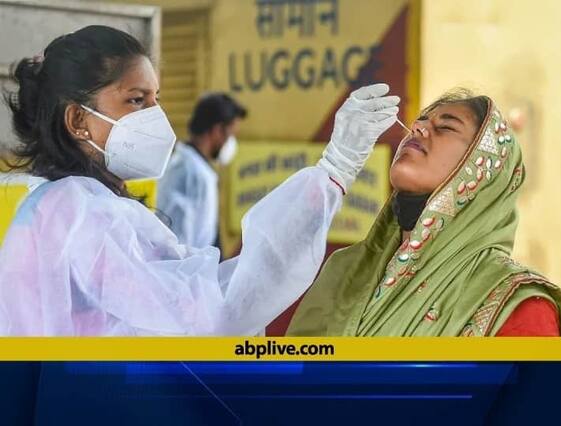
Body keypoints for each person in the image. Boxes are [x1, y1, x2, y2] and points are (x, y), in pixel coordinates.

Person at [0, 25, 400, 336]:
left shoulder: (46, 202)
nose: (155, 116)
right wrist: (336, 168)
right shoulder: (84, 213)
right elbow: (213, 313)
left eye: (156, 99)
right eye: (136, 100)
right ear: (77, 119)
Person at [287, 90, 561, 337]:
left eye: (445, 126)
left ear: (483, 171)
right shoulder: (344, 270)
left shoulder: (516, 305)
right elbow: (296, 374)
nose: (417, 127)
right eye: (420, 121)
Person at [157, 93, 247, 250]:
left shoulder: (195, 167)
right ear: (217, 131)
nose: (231, 143)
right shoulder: (191, 173)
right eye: (231, 134)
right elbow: (179, 245)